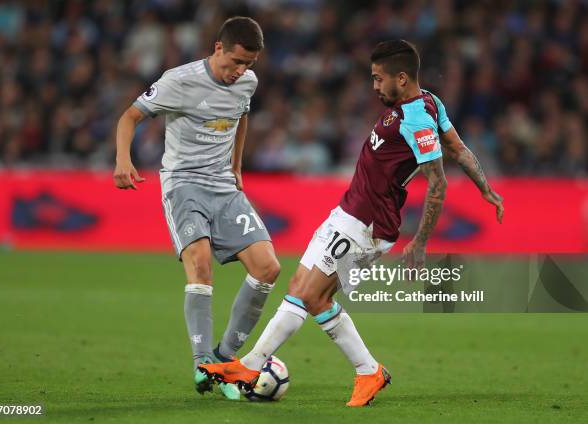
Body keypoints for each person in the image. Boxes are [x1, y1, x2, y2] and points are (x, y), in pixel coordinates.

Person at [199, 40, 504, 407]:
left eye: (379, 79)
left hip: (368, 225)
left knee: (310, 293)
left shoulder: (418, 119)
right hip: (348, 212)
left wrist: (420, 243)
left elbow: (438, 181)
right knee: (305, 290)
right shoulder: (429, 102)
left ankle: (268, 366)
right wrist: (486, 187)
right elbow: (461, 149)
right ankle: (351, 370)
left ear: (402, 78)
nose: (374, 86)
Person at [113, 17, 280, 400]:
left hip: (223, 186)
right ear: (217, 48)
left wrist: (237, 166)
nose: (239, 72)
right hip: (183, 184)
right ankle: (203, 362)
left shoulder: (246, 82)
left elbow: (242, 116)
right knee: (200, 264)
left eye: (248, 65)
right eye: (234, 62)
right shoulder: (179, 79)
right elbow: (130, 116)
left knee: (268, 267)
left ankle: (223, 359)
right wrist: (123, 159)